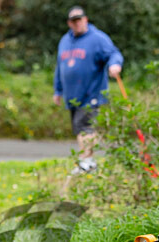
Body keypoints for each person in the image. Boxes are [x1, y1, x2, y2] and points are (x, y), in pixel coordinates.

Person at [53, 6, 123, 175]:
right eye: (73, 21)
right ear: (69, 23)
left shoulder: (98, 38)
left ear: (86, 19)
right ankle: (87, 161)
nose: (76, 24)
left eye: (79, 20)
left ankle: (87, 161)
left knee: (85, 126)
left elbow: (114, 53)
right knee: (78, 127)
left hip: (91, 92)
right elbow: (59, 67)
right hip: (72, 95)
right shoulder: (65, 41)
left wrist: (115, 64)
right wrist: (57, 90)